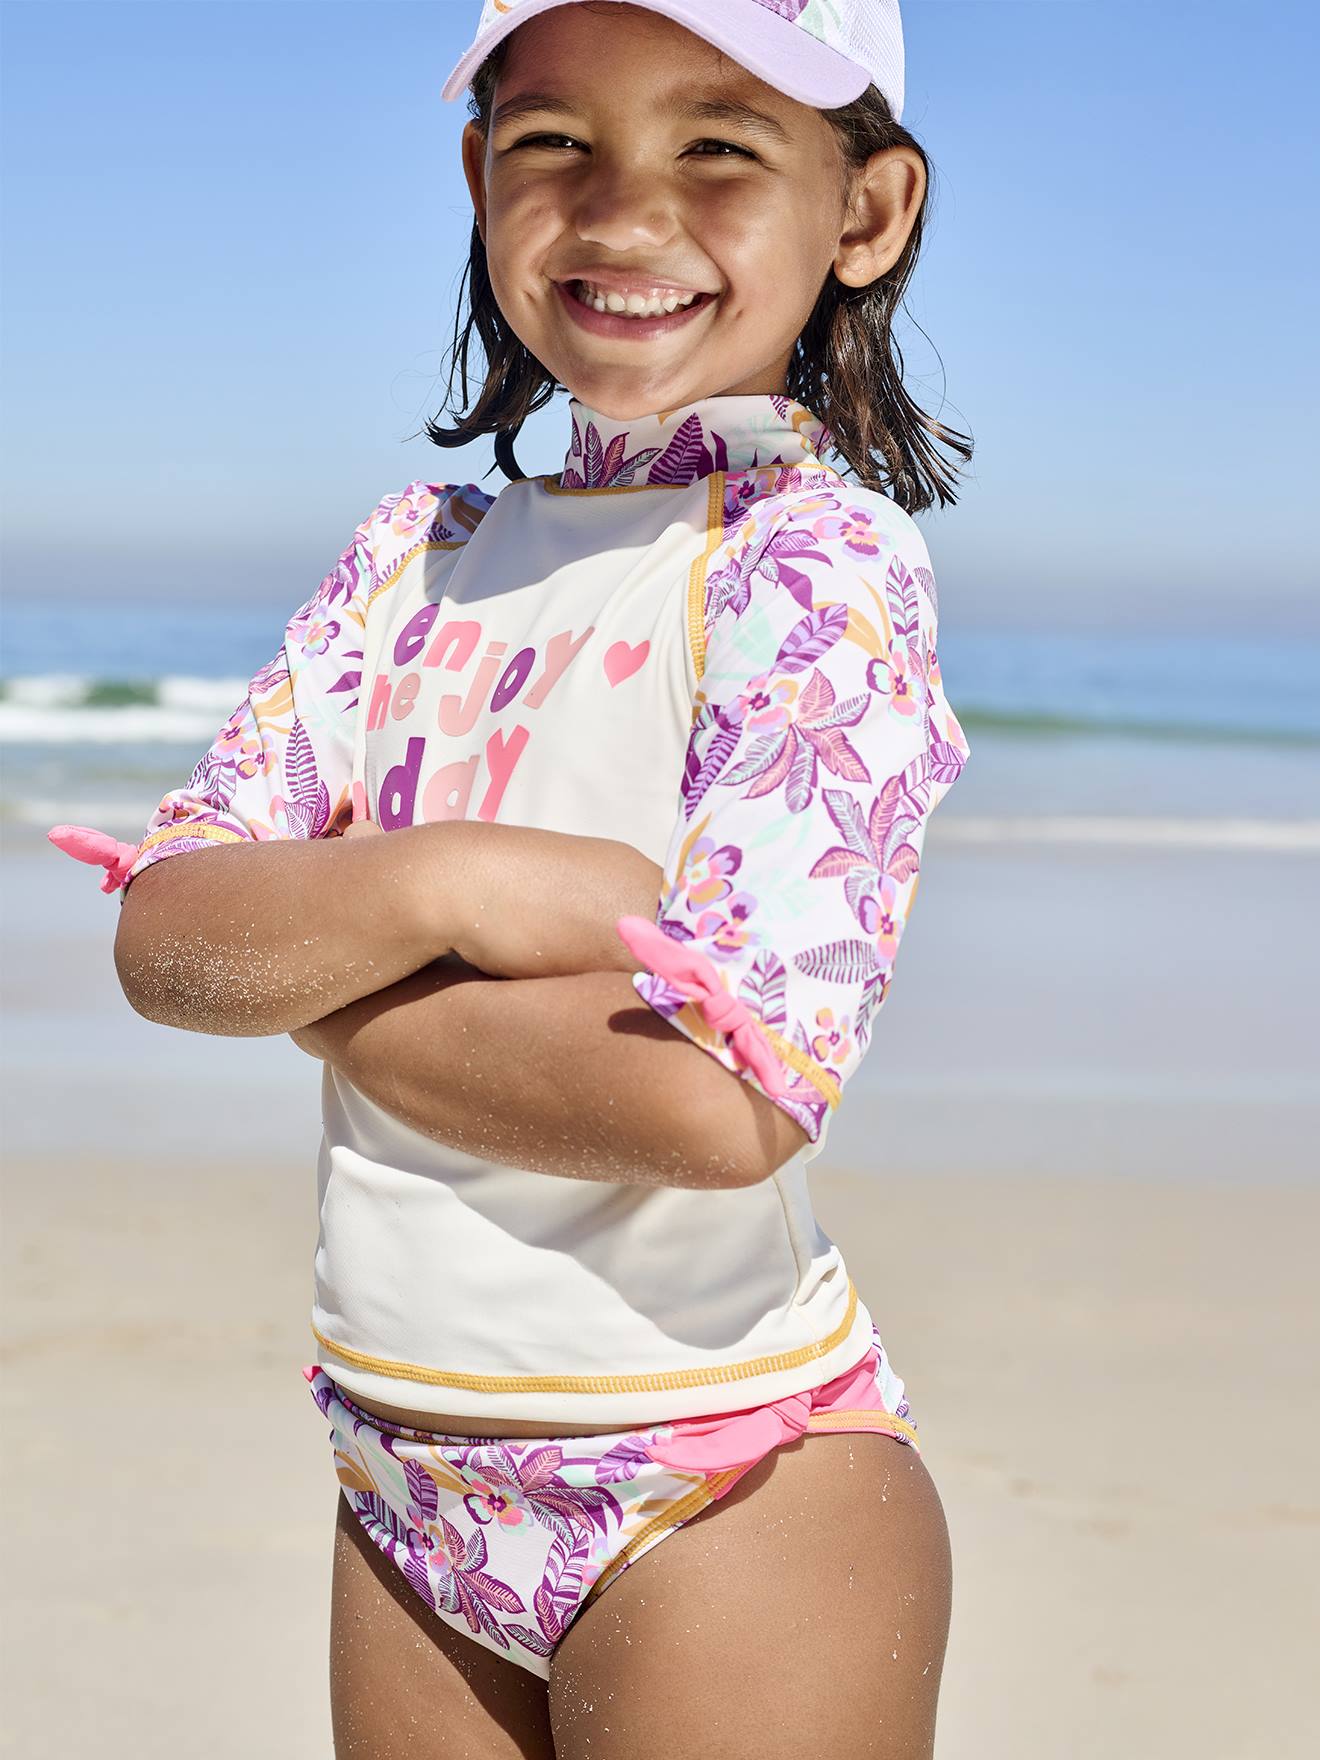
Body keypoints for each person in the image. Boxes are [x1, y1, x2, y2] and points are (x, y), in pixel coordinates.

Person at [53, 2, 975, 1752]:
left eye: (719, 144)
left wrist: (330, 985)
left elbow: (728, 1103)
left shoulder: (812, 568)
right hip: (399, 1478)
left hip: (722, 1485)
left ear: (865, 212)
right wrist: (455, 886)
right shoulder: (413, 558)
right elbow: (169, 943)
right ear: (480, 173)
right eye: (555, 140)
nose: (626, 214)